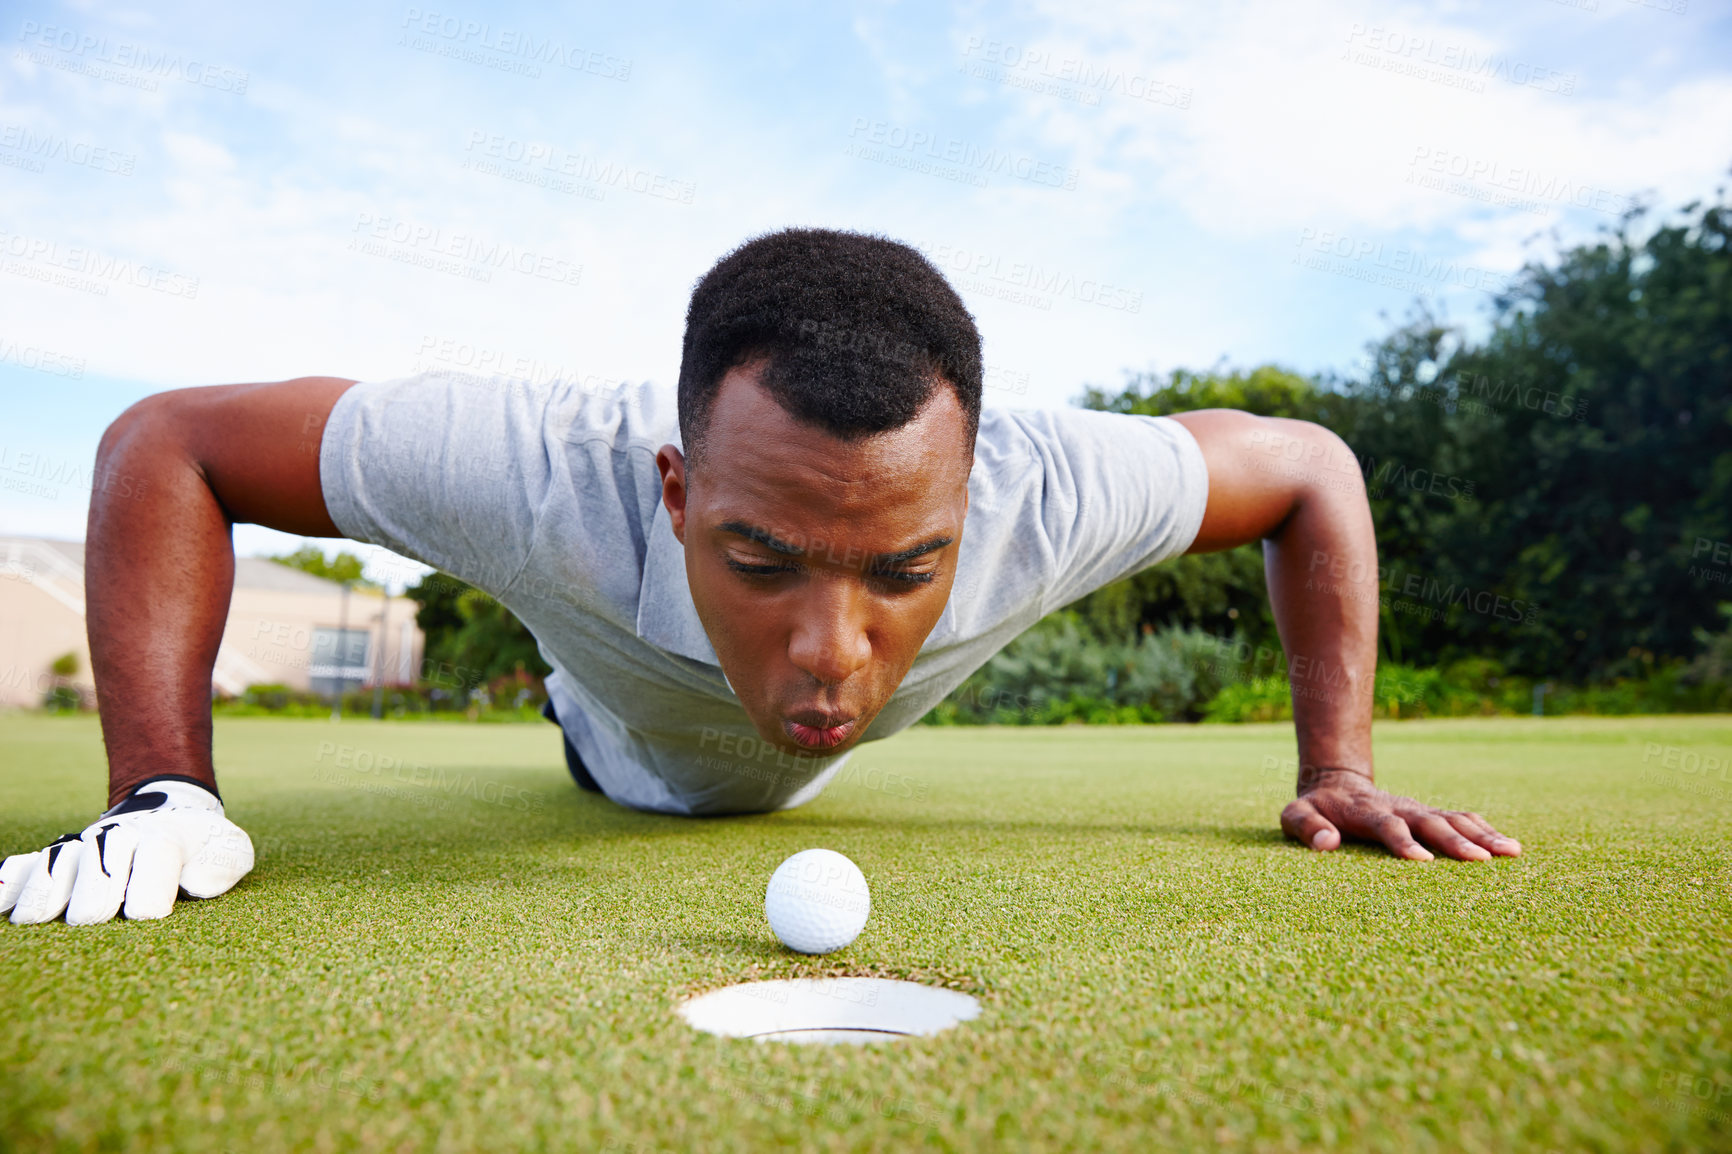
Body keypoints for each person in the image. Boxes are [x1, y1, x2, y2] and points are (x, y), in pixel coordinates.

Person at [0, 228, 1520, 926]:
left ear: (973, 499)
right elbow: (167, 442)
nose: (829, 654)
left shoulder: (1049, 492)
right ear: (677, 490)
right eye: (764, 558)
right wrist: (165, 789)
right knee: (594, 706)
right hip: (604, 730)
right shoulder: (531, 470)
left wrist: (1342, 762)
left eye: (901, 571)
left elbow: (1311, 468)